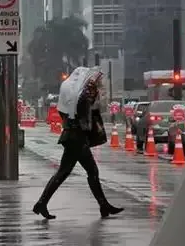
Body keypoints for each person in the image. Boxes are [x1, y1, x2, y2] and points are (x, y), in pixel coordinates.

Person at [33, 67, 124, 219]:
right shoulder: (84, 97)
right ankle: (103, 206)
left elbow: (66, 114)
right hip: (78, 138)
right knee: (87, 171)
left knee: (68, 172)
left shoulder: (72, 97)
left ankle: (42, 204)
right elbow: (88, 117)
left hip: (71, 136)